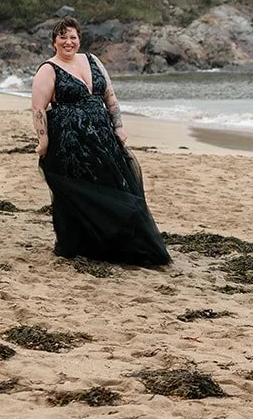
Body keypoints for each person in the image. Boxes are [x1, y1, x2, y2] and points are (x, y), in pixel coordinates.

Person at [31, 17, 171, 267]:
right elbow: (38, 109)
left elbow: (110, 97)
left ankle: (120, 244)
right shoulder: (48, 69)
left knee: (114, 187)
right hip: (70, 144)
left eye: (72, 37)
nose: (68, 42)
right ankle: (85, 244)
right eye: (62, 37)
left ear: (79, 39)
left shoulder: (93, 61)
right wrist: (43, 141)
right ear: (54, 42)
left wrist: (119, 127)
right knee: (83, 193)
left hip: (103, 138)